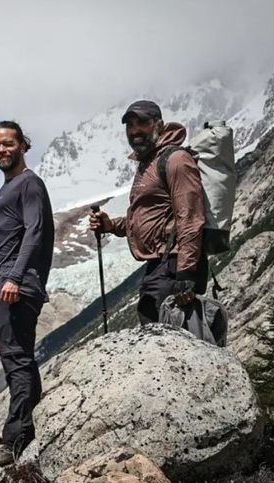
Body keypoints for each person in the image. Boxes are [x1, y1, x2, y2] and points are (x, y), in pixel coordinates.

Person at [89, 100, 207, 322]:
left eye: (142, 123)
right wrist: (111, 226)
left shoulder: (176, 160)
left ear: (159, 125)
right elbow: (150, 217)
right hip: (161, 266)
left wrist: (186, 274)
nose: (134, 131)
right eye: (129, 126)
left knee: (167, 339)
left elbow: (190, 217)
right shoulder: (148, 164)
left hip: (175, 266)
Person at [0, 122, 54, 466]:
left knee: (17, 360)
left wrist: (14, 278)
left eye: (7, 144)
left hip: (17, 288)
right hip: (2, 288)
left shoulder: (29, 184)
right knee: (17, 357)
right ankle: (29, 431)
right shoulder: (8, 186)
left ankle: (15, 439)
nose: (1, 150)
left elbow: (34, 233)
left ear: (23, 144)